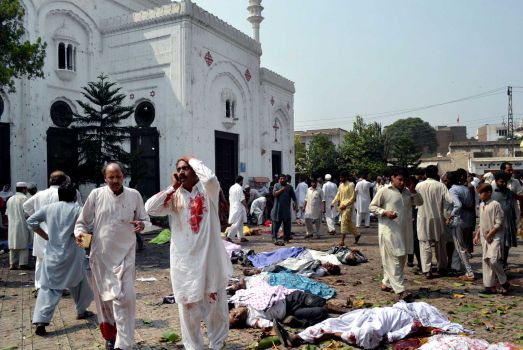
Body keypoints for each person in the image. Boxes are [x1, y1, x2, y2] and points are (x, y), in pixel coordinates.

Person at [145, 156, 232, 350]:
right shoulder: (174, 196)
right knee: (187, 307)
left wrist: (192, 158)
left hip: (209, 259)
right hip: (184, 263)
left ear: (195, 170)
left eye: (186, 168)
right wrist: (171, 188)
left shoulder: (208, 191)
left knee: (214, 306)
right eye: (179, 169)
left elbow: (209, 178)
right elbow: (149, 208)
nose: (182, 172)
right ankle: (193, 347)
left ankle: (216, 345)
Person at [74, 162, 150, 350]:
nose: (115, 180)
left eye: (118, 176)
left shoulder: (134, 195)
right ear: (105, 179)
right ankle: (110, 336)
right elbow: (81, 223)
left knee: (125, 298)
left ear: (124, 176)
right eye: (111, 177)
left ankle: (123, 343)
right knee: (106, 301)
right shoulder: (96, 195)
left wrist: (142, 225)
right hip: (101, 257)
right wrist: (81, 237)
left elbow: (146, 220)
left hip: (126, 256)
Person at [27, 183, 94, 336]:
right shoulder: (78, 210)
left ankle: (40, 321)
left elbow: (30, 221)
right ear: (75, 196)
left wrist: (46, 236)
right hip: (73, 254)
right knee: (79, 281)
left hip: (52, 254)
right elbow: (88, 228)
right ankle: (81, 310)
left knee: (50, 288)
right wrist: (84, 245)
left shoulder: (49, 208)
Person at [369, 168, 423, 300]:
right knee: (394, 260)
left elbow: (420, 202)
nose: (402, 182)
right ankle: (400, 290)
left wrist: (413, 189)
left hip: (404, 231)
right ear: (392, 177)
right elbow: (372, 207)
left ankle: (386, 282)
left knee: (401, 258)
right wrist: (385, 212)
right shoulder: (384, 191)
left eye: (404, 180)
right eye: (399, 179)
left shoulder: (408, 192)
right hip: (389, 231)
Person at [23, 170, 79, 290]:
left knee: (41, 260)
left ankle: (40, 287)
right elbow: (79, 212)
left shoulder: (40, 194)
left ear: (50, 181)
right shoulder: (69, 192)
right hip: (62, 233)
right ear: (65, 181)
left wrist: (38, 218)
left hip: (41, 232)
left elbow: (26, 206)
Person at [415, 165, 453, 279]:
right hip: (438, 218)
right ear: (436, 173)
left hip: (422, 217)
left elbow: (414, 201)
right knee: (440, 243)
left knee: (424, 243)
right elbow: (450, 200)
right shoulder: (441, 186)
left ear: (426, 174)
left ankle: (427, 270)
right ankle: (442, 267)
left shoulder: (419, 185)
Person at [474, 183, 510, 294]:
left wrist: (490, 234)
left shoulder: (495, 205)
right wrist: (476, 235)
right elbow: (481, 222)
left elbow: (499, 223)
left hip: (495, 236)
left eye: (482, 193)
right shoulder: (481, 205)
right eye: (479, 193)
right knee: (486, 261)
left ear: (489, 192)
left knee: (494, 260)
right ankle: (489, 286)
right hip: (484, 237)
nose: (480, 195)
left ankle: (504, 282)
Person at [229, 290, 329, 329]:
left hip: (289, 297)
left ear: (232, 310)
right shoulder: (252, 320)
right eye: (238, 319)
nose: (238, 316)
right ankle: (300, 323)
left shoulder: (240, 299)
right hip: (290, 312)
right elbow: (268, 325)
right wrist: (278, 326)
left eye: (234, 315)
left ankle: (337, 308)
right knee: (321, 312)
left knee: (320, 303)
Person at [447, 171, 475, 280]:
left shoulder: (453, 190)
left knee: (460, 247)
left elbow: (457, 205)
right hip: (467, 220)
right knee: (459, 245)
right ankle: (455, 267)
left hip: (458, 221)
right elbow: (470, 204)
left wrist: (451, 216)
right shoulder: (465, 188)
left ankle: (469, 272)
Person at [491, 171, 517, 270]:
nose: (504, 184)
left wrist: (514, 221)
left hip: (509, 222)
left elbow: (511, 207)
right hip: (496, 224)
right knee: (497, 246)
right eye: (501, 182)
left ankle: (504, 263)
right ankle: (497, 266)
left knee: (506, 245)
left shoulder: (509, 192)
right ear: (496, 181)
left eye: (505, 182)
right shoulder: (491, 192)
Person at [499, 162, 521, 269]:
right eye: (508, 170)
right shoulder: (495, 182)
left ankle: (504, 261)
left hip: (511, 214)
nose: (511, 172)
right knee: (498, 240)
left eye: (511, 170)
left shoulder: (515, 182)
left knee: (507, 240)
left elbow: (521, 197)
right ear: (502, 170)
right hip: (497, 214)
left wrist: (511, 194)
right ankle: (499, 261)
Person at [6, 182, 30, 270]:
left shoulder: (10, 199)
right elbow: (27, 213)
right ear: (24, 189)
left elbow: (7, 213)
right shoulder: (24, 198)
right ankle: (22, 263)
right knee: (23, 244)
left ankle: (12, 263)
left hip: (12, 225)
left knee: (12, 245)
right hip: (22, 224)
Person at [332, 171, 359, 247]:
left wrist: (346, 205)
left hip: (348, 207)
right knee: (349, 223)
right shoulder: (340, 185)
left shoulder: (351, 185)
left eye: (342, 177)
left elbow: (353, 197)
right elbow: (338, 195)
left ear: (346, 177)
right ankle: (357, 234)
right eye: (340, 177)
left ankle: (342, 241)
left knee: (343, 222)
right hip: (341, 207)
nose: (341, 179)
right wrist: (333, 202)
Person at [271, 174, 297, 245]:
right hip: (277, 210)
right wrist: (282, 189)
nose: (282, 180)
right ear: (279, 179)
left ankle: (286, 239)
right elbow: (274, 194)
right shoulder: (276, 185)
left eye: (283, 179)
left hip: (286, 210)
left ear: (286, 179)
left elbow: (294, 198)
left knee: (287, 226)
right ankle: (274, 238)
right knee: (276, 226)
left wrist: (296, 206)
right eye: (281, 179)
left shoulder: (290, 187)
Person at [227, 176, 248, 243]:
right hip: (239, 208)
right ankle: (229, 237)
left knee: (240, 223)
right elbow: (242, 199)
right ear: (241, 181)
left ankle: (241, 237)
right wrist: (246, 207)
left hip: (233, 206)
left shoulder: (231, 187)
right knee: (236, 223)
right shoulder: (239, 188)